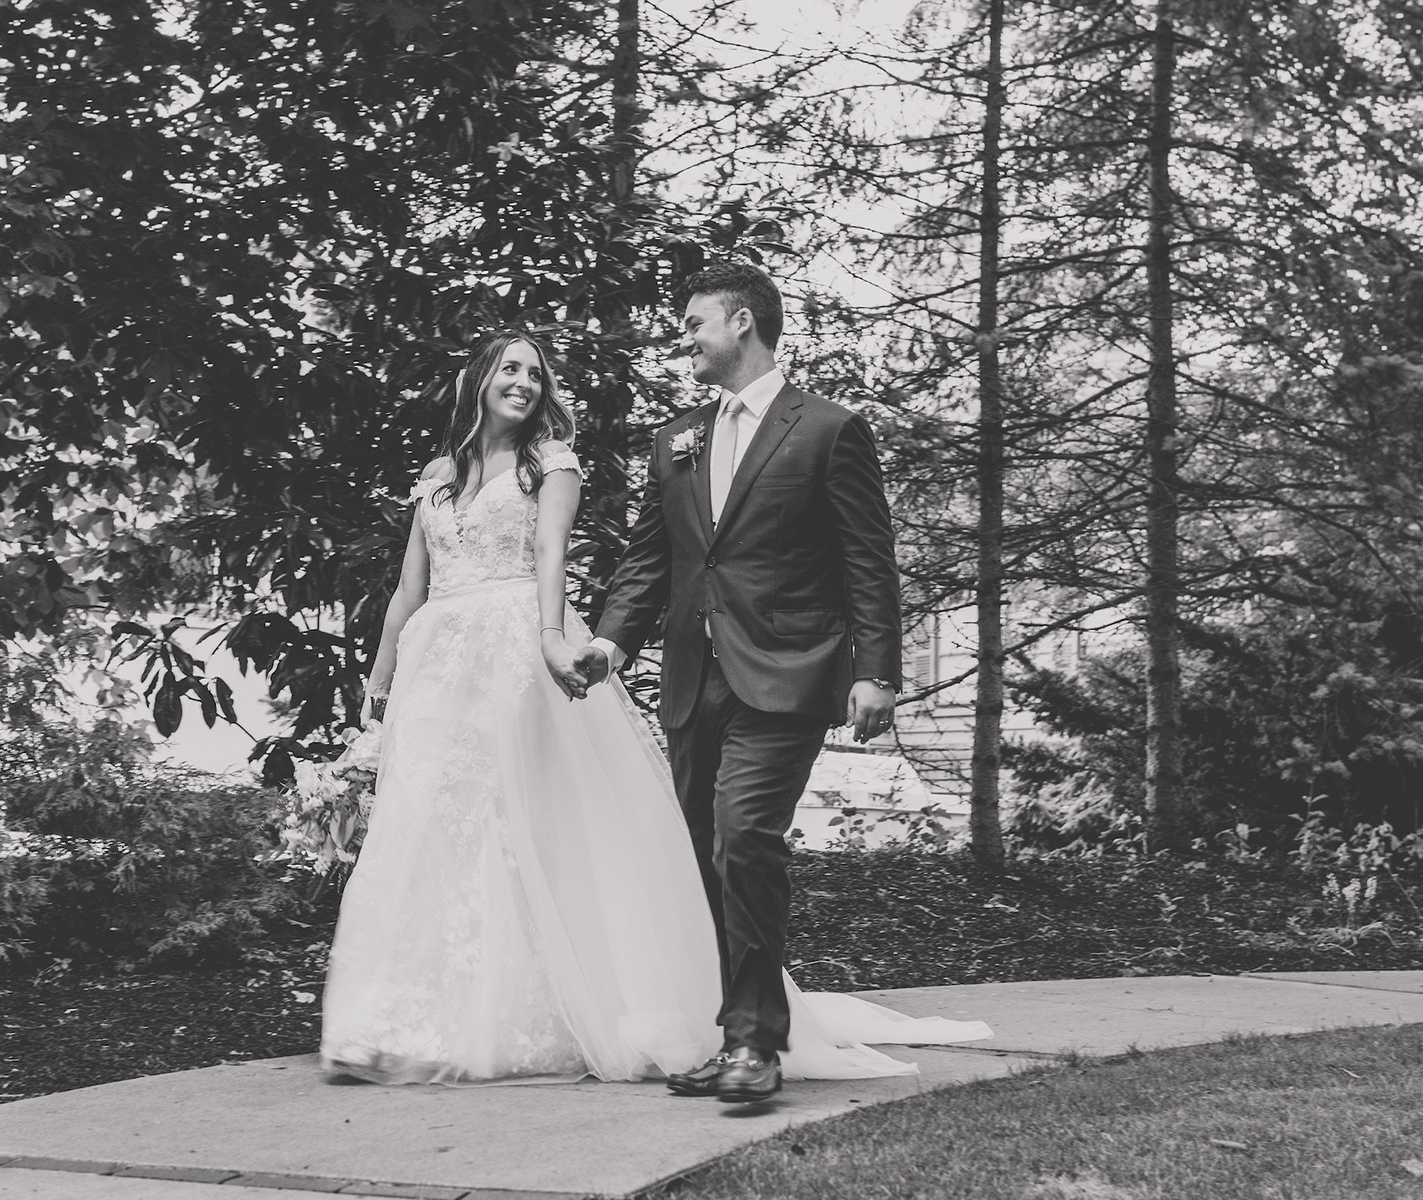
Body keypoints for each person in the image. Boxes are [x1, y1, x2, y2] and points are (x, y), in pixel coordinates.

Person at [321, 323, 988, 1091]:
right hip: (462, 664)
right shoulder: (464, 473)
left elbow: (552, 553)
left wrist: (551, 637)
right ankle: (401, 1017)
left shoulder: (560, 462)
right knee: (439, 827)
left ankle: (713, 1035)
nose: (525, 382)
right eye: (509, 368)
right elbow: (427, 584)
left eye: (534, 372)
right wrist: (386, 674)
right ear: (478, 378)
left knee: (577, 829)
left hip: (561, 652)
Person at [574, 260, 910, 1102]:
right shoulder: (675, 438)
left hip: (787, 670)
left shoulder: (828, 429)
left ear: (743, 323)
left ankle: (757, 1045)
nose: (684, 337)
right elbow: (651, 559)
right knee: (702, 855)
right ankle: (730, 1034)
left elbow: (868, 560)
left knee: (743, 833)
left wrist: (877, 671)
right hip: (694, 678)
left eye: (695, 322)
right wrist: (610, 645)